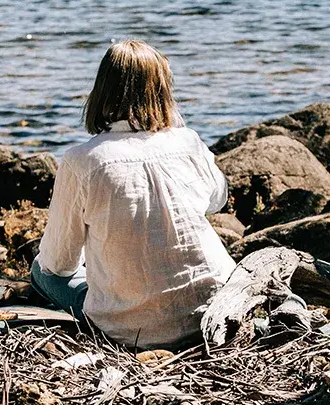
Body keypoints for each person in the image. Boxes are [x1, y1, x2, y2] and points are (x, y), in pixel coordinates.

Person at [33, 39, 236, 347]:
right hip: (212, 313)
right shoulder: (187, 142)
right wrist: (176, 129)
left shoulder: (83, 161)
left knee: (41, 271)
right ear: (163, 92)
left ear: (100, 91)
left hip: (132, 330)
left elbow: (59, 263)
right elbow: (217, 199)